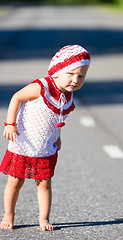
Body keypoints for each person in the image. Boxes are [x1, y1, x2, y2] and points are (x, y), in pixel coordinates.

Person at [0, 45, 90, 231]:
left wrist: (57, 136)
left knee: (45, 184)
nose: (75, 79)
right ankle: (8, 214)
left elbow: (57, 119)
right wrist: (10, 124)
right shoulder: (42, 87)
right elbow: (16, 97)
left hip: (45, 147)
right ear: (58, 70)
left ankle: (44, 219)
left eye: (81, 76)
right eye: (71, 73)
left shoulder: (67, 96)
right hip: (23, 144)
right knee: (15, 181)